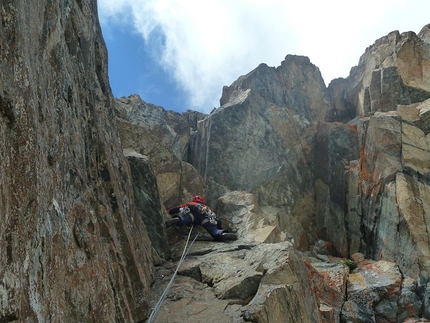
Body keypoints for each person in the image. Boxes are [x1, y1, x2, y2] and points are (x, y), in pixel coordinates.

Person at [166, 195, 237, 241]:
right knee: (213, 231)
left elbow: (178, 208)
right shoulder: (206, 208)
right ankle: (222, 234)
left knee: (184, 220)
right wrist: (221, 228)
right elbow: (216, 218)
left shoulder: (191, 204)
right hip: (205, 217)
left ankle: (177, 219)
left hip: (192, 216)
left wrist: (168, 212)